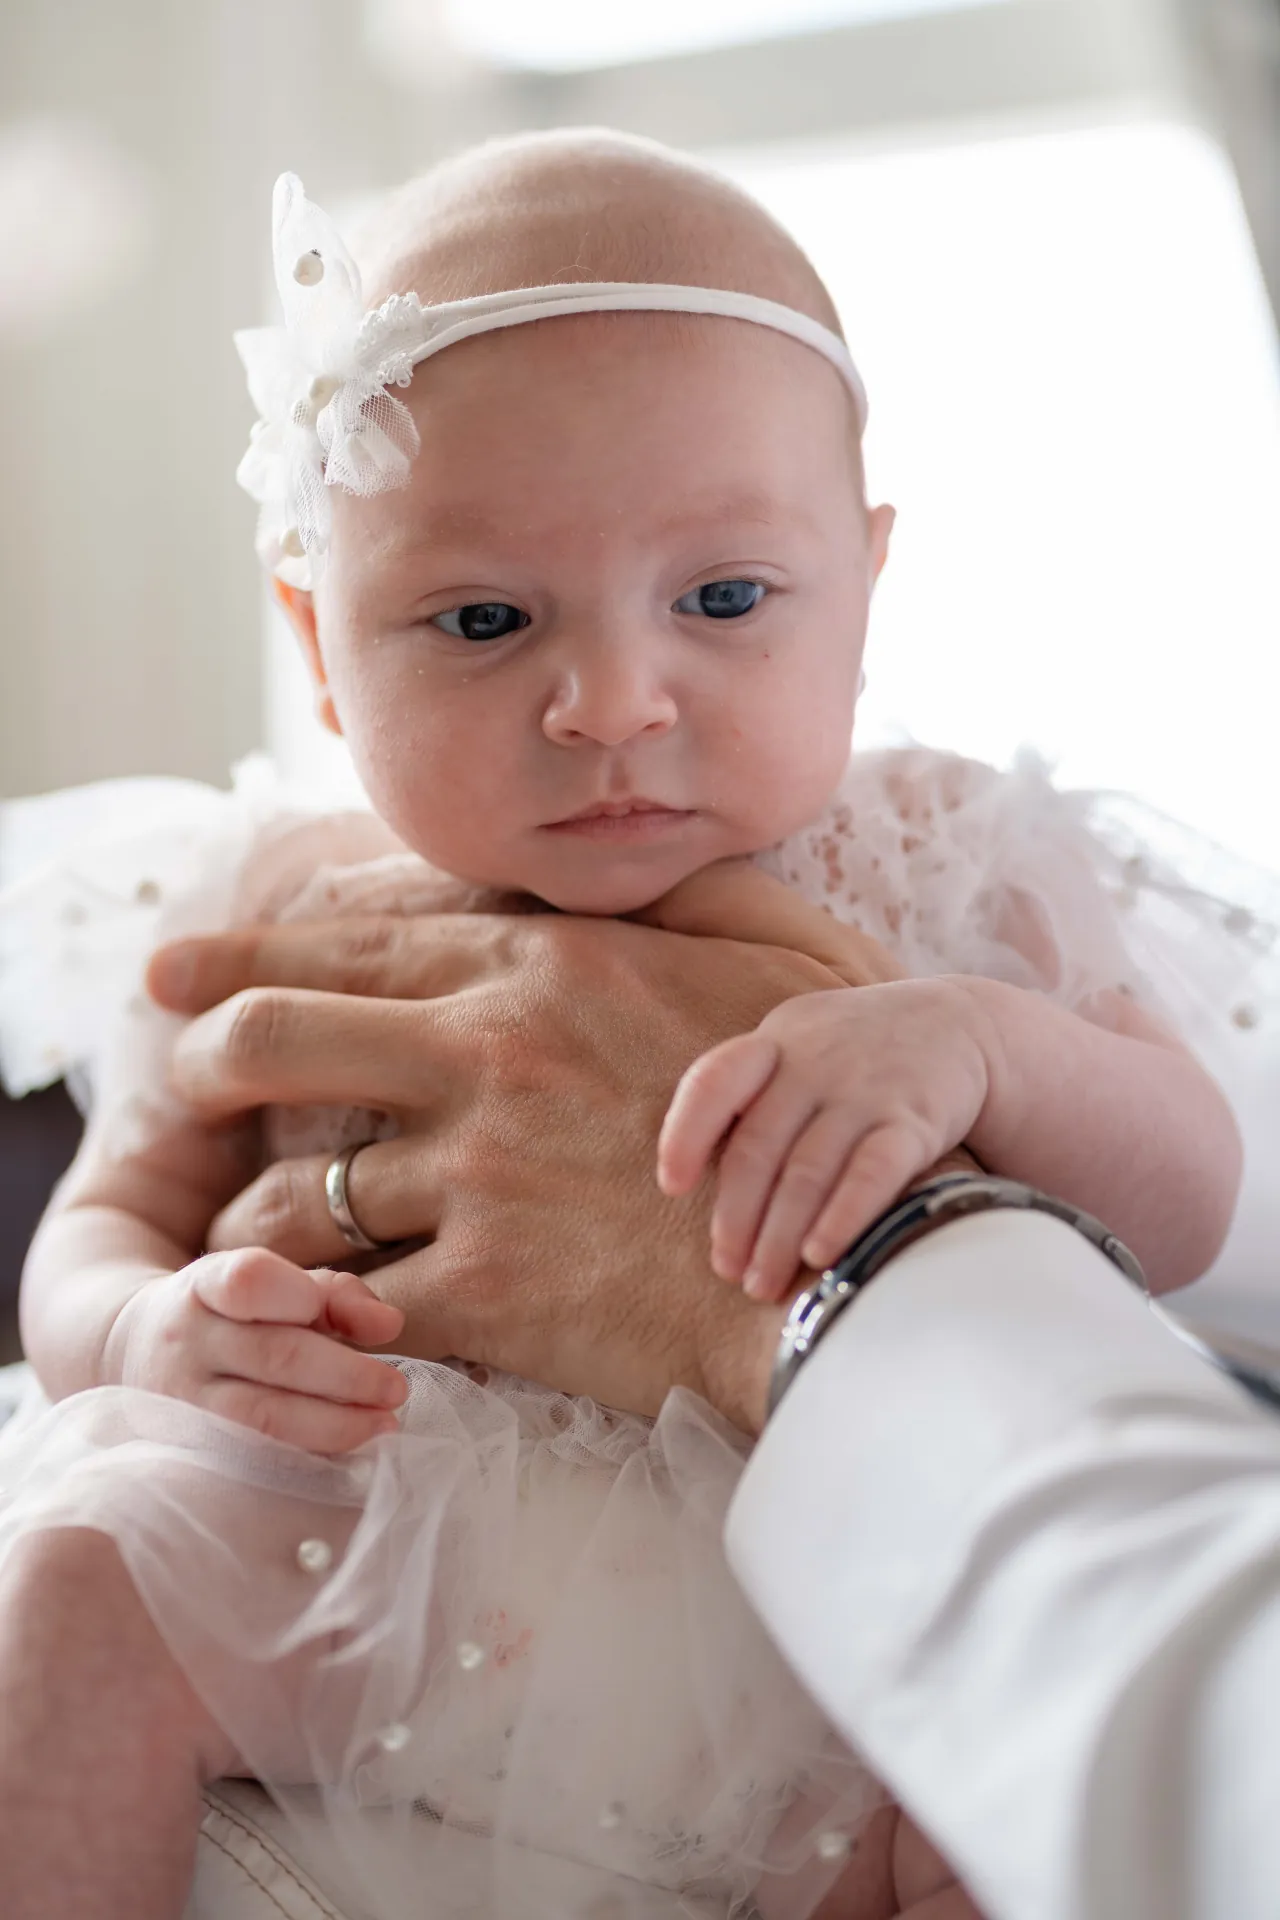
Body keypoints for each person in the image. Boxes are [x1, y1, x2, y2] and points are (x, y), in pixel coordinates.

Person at [0, 129, 1259, 1919]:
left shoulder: (947, 863)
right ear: (317, 637)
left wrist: (981, 1043)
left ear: (868, 584)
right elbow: (105, 1214)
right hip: (364, 1571)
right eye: (486, 618)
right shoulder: (269, 896)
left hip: (834, 1625)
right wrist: (141, 1329)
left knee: (998, 1836)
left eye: (727, 600)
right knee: (69, 1591)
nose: (607, 702)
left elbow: (1190, 1193)